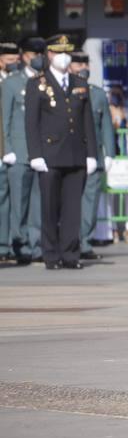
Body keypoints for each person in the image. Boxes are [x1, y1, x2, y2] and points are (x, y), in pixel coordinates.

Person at [26, 35, 97, 270]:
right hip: (50, 155)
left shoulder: (80, 82)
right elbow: (32, 123)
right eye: (59, 52)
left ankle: (70, 254)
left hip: (76, 154)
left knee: (72, 209)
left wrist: (92, 154)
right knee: (49, 207)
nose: (64, 57)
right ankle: (51, 255)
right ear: (49, 55)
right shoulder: (37, 83)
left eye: (67, 52)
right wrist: (35, 154)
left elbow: (88, 122)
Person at [2, 37, 48, 266]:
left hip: (42, 152)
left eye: (41, 54)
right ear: (24, 56)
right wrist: (6, 149)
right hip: (19, 152)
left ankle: (36, 244)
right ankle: (18, 244)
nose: (37, 58)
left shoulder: (46, 81)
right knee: (19, 204)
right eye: (33, 55)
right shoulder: (11, 82)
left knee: (39, 203)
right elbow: (4, 118)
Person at [72, 51, 115, 261]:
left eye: (85, 64)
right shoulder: (64, 89)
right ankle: (70, 242)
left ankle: (85, 243)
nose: (82, 68)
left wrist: (110, 153)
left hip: (94, 155)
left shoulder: (97, 93)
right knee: (70, 203)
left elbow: (106, 124)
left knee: (90, 204)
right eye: (77, 64)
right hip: (70, 155)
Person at [0, 41, 16, 261]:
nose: (14, 64)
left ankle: (5, 244)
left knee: (7, 201)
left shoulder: (12, 81)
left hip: (7, 149)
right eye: (9, 60)